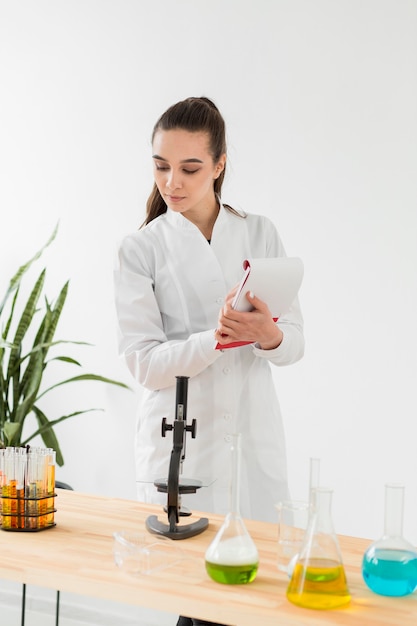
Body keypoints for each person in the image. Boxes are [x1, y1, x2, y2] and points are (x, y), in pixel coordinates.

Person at [114, 96, 304, 625]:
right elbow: (142, 364)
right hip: (182, 450)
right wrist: (214, 340)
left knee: (251, 602)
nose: (172, 181)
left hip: (251, 439)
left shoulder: (258, 232)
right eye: (161, 166)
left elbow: (295, 343)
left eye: (190, 167)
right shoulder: (140, 249)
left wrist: (267, 335)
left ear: (219, 165)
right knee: (197, 603)